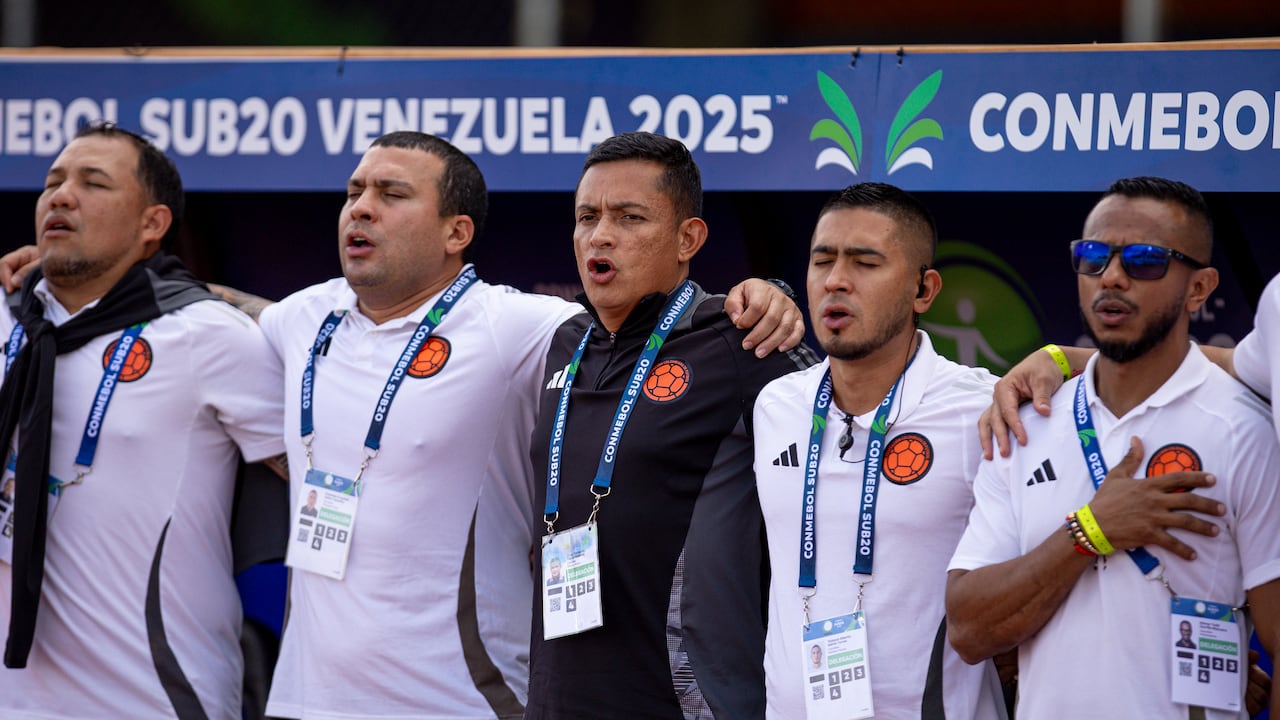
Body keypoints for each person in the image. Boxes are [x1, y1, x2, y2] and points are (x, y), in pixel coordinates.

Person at [209, 131, 801, 720]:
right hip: (313, 698)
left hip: (468, 700)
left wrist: (767, 295)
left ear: (457, 232)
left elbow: (663, 326)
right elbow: (217, 318)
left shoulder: (520, 327)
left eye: (391, 193)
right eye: (354, 191)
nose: (362, 208)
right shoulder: (303, 319)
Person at [945, 177, 1280, 719]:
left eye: (1145, 261)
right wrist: (1090, 531)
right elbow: (968, 630)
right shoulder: (1025, 424)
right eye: (1093, 258)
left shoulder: (1245, 430)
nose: (1112, 277)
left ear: (1200, 288)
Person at [525, 131, 818, 720]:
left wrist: (778, 295)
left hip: (683, 702)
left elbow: (859, 424)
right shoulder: (564, 341)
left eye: (629, 217)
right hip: (557, 701)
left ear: (689, 239)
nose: (600, 235)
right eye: (587, 217)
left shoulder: (738, 341)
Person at [0, 123, 285, 718]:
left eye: (93, 183)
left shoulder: (206, 333)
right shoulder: (9, 317)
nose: (61, 196)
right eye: (52, 182)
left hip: (151, 696)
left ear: (152, 224)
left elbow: (322, 465)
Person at [753, 183, 1006, 719]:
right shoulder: (776, 404)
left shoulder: (981, 407)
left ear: (924, 290)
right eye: (822, 261)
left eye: (865, 263)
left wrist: (1059, 357)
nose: (836, 281)